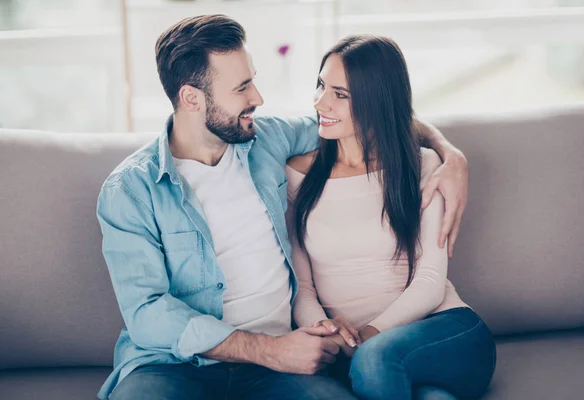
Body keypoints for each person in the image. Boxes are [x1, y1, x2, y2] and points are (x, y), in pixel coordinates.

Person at [96, 15, 470, 400]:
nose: (257, 98)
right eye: (242, 88)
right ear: (191, 98)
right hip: (172, 365)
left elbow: (373, 112)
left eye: (253, 80)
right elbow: (147, 314)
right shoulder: (131, 191)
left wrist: (450, 154)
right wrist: (270, 350)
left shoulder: (266, 138)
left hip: (279, 368)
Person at [286, 35, 496, 400]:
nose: (320, 102)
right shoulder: (296, 176)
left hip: (443, 331)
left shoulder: (422, 167)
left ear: (375, 101)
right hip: (360, 351)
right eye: (321, 85)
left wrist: (365, 337)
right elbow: (302, 288)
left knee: (375, 361)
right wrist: (324, 330)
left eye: (340, 94)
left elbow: (431, 281)